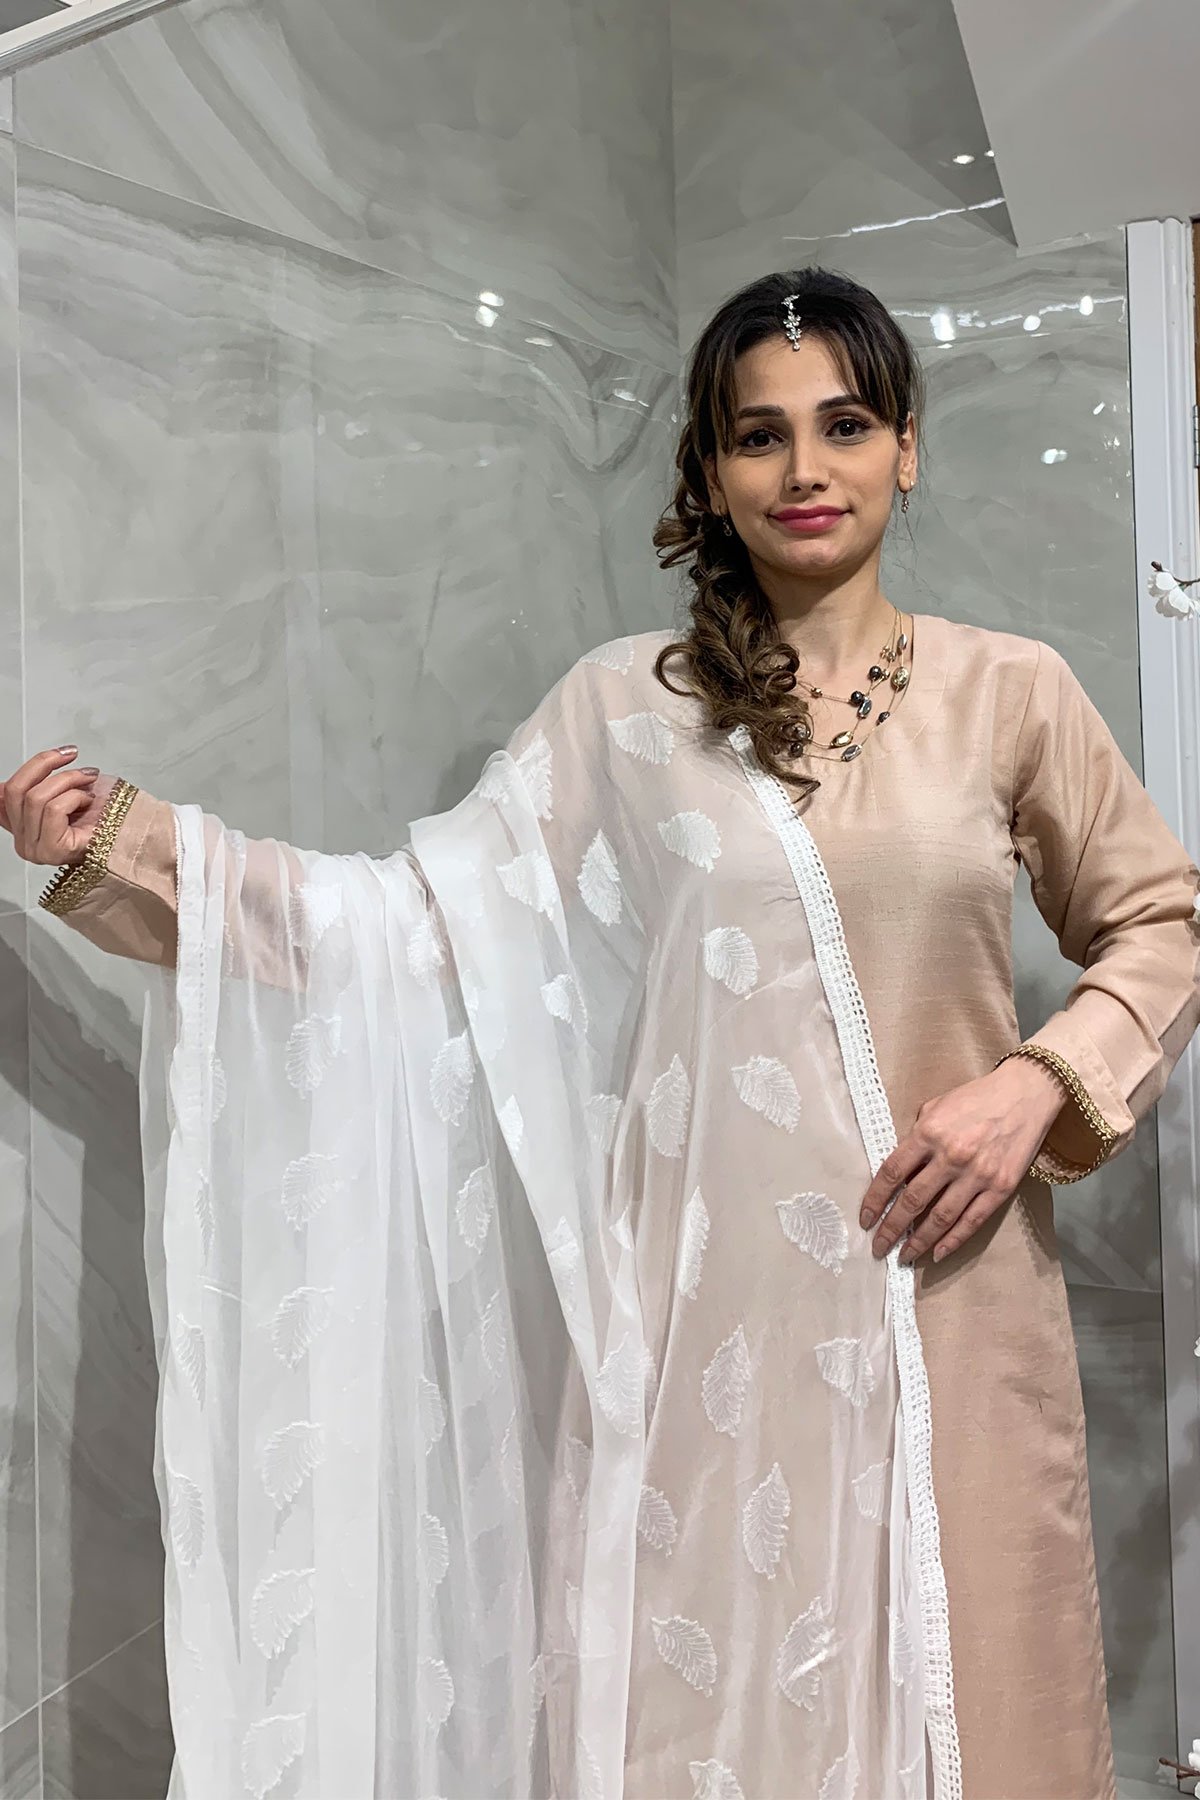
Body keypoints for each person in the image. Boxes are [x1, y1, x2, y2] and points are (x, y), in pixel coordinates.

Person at [4, 265, 1198, 1800]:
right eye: (759, 435)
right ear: (710, 470)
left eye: (845, 424)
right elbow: (413, 930)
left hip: (951, 1293)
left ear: (908, 447)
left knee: (977, 1703)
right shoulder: (624, 712)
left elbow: (1161, 923)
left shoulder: (1010, 694)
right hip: (709, 1329)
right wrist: (139, 852)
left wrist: (1034, 1087)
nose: (806, 467)